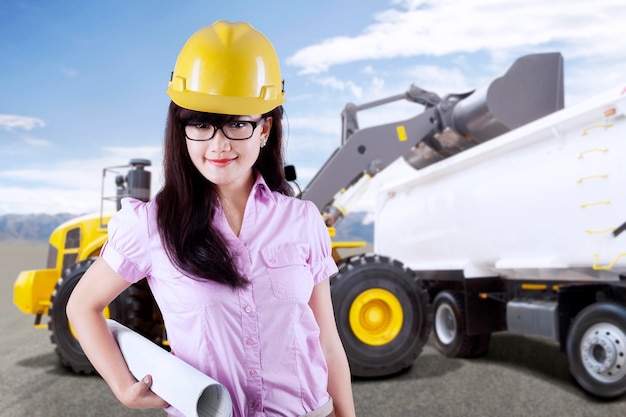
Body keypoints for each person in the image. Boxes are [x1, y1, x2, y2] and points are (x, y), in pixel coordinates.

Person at [66, 20, 356, 417]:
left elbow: (326, 343)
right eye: (200, 124)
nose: (218, 144)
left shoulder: (302, 220)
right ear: (181, 129)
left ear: (265, 128)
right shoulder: (150, 227)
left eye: (237, 123)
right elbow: (81, 306)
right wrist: (123, 386)